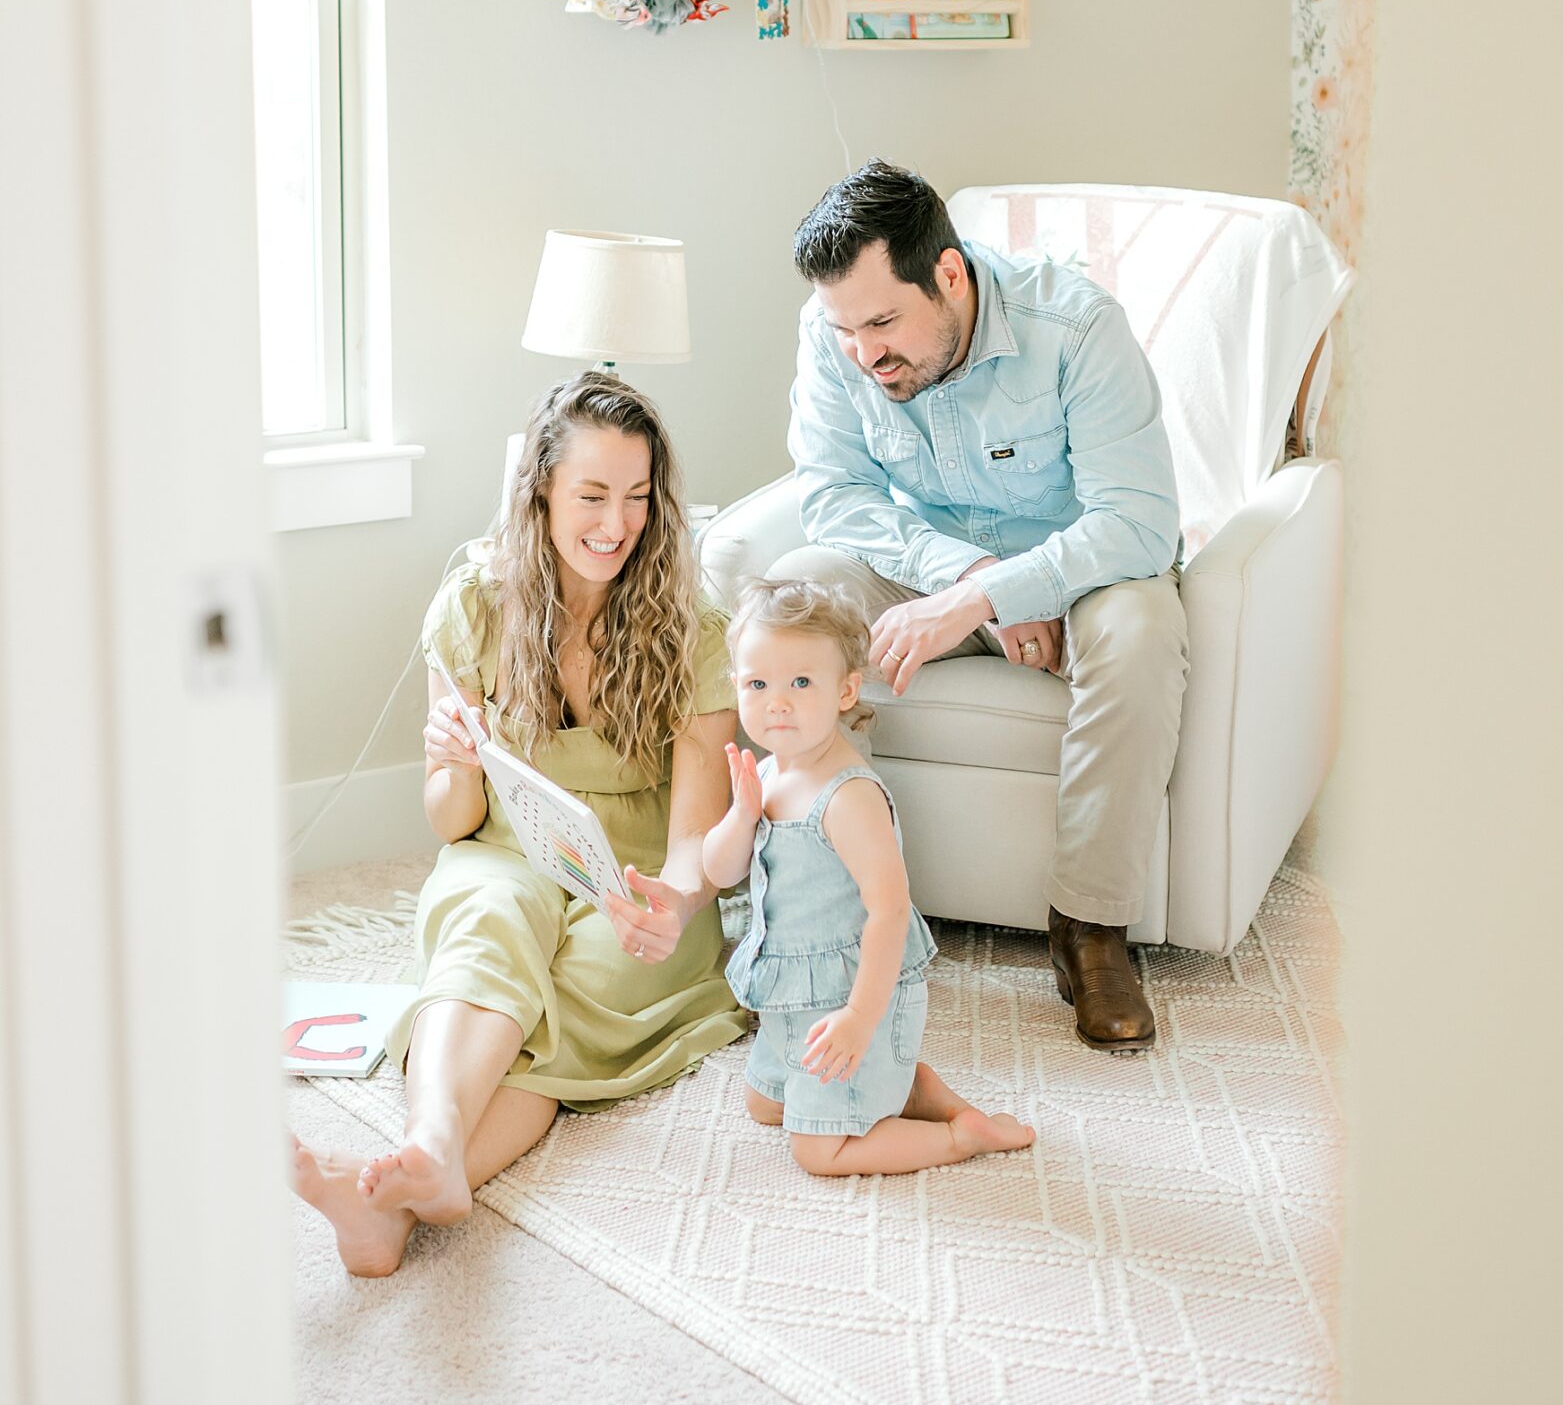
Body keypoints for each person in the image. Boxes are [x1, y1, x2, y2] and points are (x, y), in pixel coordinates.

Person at [288, 372, 747, 1275]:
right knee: (487, 927)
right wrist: (453, 757)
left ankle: (406, 1198)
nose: (616, 525)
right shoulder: (476, 601)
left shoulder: (694, 625)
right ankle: (430, 1147)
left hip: (639, 876)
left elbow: (698, 835)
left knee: (574, 984)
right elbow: (454, 819)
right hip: (506, 843)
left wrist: (677, 902)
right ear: (539, 490)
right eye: (590, 495)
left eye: (637, 498)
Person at [776, 161, 1187, 1053]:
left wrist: (1002, 591)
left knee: (1144, 629)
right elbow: (835, 495)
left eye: (884, 322)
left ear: (951, 276)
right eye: (846, 327)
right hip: (936, 573)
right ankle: (829, 896)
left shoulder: (1074, 327)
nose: (864, 352)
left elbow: (1141, 522)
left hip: (1083, 580)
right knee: (797, 603)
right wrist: (966, 580)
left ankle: (1089, 929)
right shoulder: (836, 333)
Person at [703, 577, 1034, 1173]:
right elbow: (720, 870)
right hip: (793, 996)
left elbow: (889, 910)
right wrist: (741, 814)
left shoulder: (847, 795)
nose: (777, 701)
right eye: (758, 683)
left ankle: (963, 1136)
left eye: (801, 683)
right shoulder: (771, 773)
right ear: (737, 687)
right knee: (764, 1107)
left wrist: (859, 1019)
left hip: (854, 995)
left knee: (819, 1152)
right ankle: (908, 1087)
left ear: (846, 691)